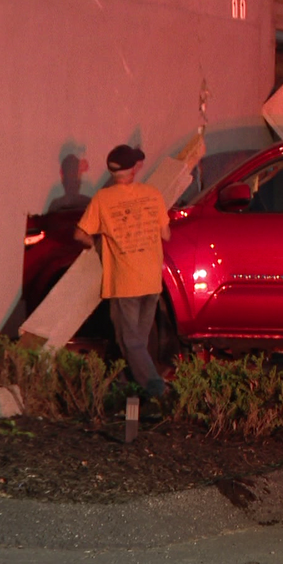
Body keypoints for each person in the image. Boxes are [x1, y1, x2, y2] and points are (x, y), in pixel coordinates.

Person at [74, 144, 171, 398]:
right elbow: (166, 234)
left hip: (124, 282)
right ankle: (127, 388)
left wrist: (98, 243)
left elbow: (80, 234)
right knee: (137, 341)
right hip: (151, 280)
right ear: (134, 170)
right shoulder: (153, 194)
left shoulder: (102, 199)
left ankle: (156, 389)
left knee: (130, 342)